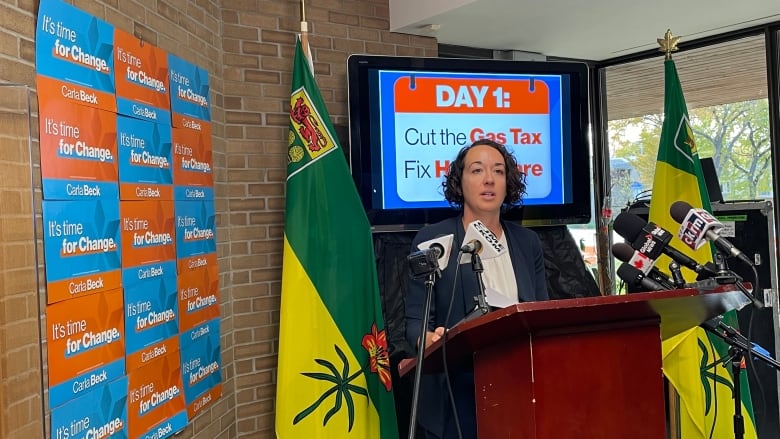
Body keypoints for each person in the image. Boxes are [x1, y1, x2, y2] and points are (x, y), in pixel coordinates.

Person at [405, 139, 549, 439]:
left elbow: (540, 314)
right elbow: (416, 322)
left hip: (519, 387)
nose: (489, 179)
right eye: (477, 170)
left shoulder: (527, 242)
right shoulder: (432, 239)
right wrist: (428, 339)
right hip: (456, 396)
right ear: (459, 183)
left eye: (498, 171)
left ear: (508, 183)